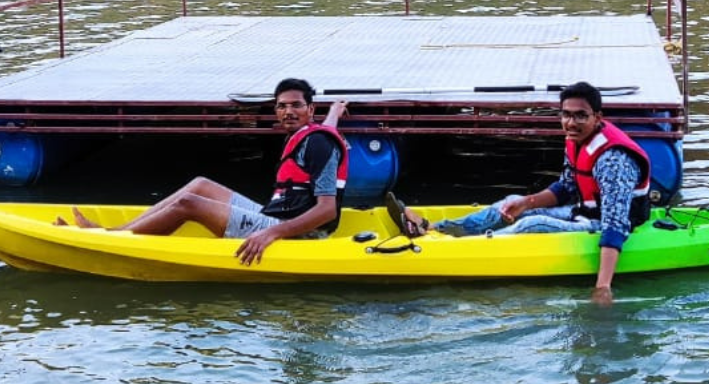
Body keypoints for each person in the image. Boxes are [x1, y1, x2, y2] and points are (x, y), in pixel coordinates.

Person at [399, 81, 652, 302]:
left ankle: (458, 250)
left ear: (597, 117)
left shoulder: (612, 160)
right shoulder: (576, 138)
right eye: (566, 115)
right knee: (511, 203)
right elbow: (566, 187)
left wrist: (603, 286)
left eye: (580, 116)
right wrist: (526, 202)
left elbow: (615, 224)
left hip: (612, 224)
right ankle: (435, 228)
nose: (571, 122)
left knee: (534, 224)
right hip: (584, 211)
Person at [69, 79, 349, 266]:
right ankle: (119, 232)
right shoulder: (313, 133)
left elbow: (327, 211)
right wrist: (335, 111)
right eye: (282, 106)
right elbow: (329, 127)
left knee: (189, 204)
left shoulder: (320, 144)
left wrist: (273, 233)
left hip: (296, 236)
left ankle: (115, 239)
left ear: (310, 109)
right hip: (274, 218)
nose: (288, 111)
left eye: (296, 105)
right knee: (200, 185)